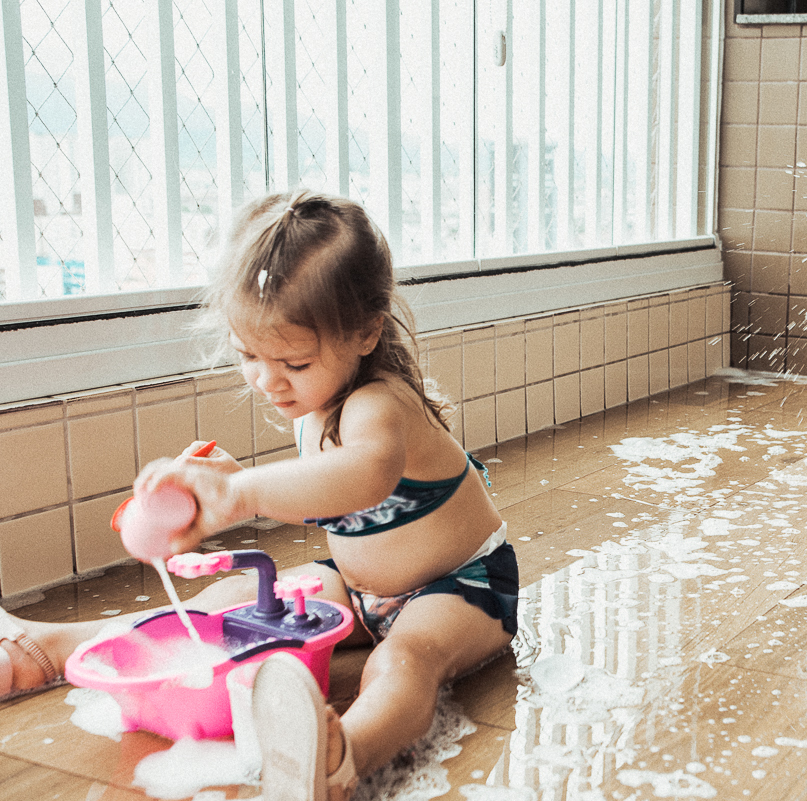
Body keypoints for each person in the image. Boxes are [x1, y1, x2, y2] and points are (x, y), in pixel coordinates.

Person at [0, 191, 519, 801]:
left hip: (460, 585)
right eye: (250, 355)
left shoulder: (381, 404)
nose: (268, 380)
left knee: (403, 663)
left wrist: (240, 492)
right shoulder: (317, 398)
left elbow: (363, 479)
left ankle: (340, 761)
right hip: (357, 587)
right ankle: (61, 646)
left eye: (293, 362)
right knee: (227, 601)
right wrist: (228, 475)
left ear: (365, 332)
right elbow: (322, 485)